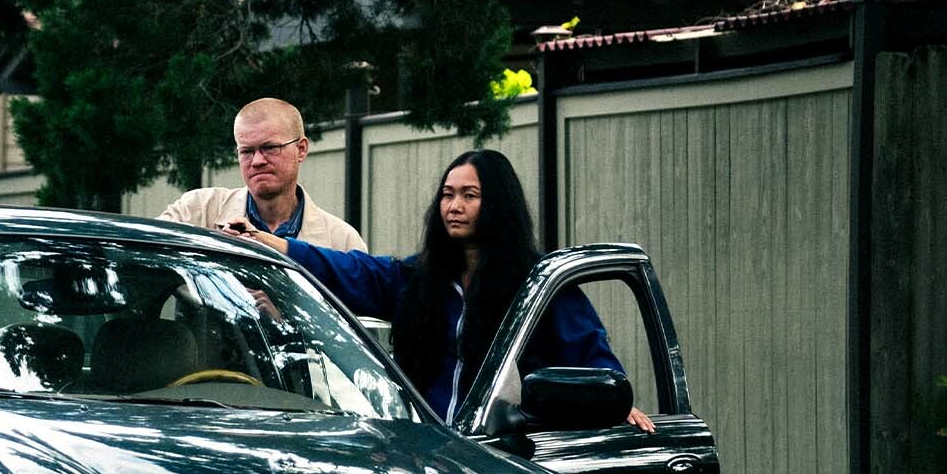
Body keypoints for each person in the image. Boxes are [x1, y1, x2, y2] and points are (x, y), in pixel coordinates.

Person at [238, 148, 653, 430]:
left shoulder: (539, 287)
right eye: (448, 195)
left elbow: (593, 364)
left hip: (507, 456)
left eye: (469, 196)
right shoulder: (420, 279)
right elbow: (356, 272)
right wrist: (280, 245)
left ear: (497, 205)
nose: (454, 206)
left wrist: (613, 404)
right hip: (423, 450)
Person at [160, 97, 366, 251]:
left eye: (270, 148)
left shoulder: (342, 241)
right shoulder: (197, 211)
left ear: (301, 149)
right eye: (247, 151)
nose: (257, 161)